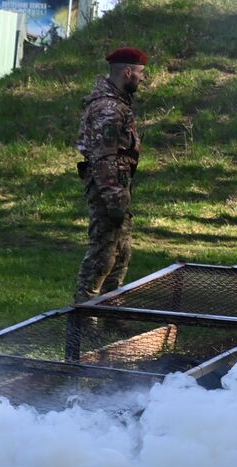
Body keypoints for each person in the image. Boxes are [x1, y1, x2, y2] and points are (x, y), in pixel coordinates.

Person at [74, 47, 147, 304]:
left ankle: (110, 309)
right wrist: (115, 198)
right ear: (127, 72)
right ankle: (84, 314)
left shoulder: (117, 104)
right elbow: (104, 158)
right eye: (140, 73)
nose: (142, 78)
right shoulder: (109, 109)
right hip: (109, 188)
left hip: (117, 186)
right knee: (102, 255)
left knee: (121, 252)